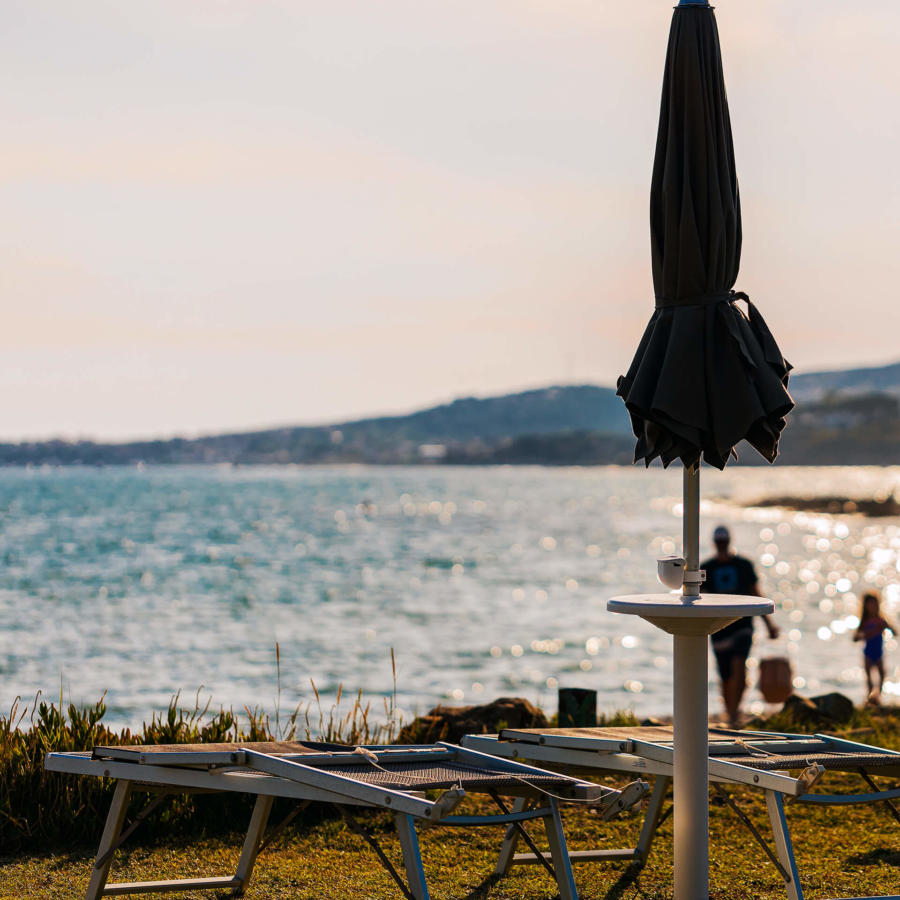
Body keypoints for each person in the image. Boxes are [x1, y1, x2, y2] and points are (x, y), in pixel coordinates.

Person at [703, 525, 779, 727]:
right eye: (719, 542)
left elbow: (755, 594)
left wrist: (769, 624)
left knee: (739, 668)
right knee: (725, 674)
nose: (721, 546)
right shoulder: (707, 568)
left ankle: (735, 714)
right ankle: (730, 713)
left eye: (724, 542)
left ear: (729, 542)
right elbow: (697, 598)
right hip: (718, 628)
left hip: (742, 625)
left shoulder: (743, 565)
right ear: (715, 543)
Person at [853, 590, 897, 705]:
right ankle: (870, 698)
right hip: (868, 653)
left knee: (882, 675)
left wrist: (887, 627)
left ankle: (877, 697)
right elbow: (855, 638)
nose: (872, 607)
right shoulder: (864, 622)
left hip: (879, 653)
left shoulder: (880, 621)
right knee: (869, 678)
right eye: (870, 604)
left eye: (874, 604)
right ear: (865, 606)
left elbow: (895, 632)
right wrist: (866, 634)